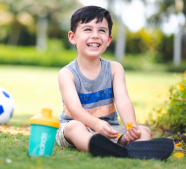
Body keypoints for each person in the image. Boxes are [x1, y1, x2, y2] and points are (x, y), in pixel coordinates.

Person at [55, 5, 174, 160]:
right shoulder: (67, 73)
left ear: (109, 39)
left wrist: (132, 128)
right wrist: (96, 125)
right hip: (77, 127)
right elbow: (75, 109)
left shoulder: (114, 68)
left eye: (102, 30)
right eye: (88, 29)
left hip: (110, 129)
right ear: (72, 37)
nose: (95, 35)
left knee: (144, 131)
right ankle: (98, 146)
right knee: (75, 128)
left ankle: (128, 147)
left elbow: (123, 101)